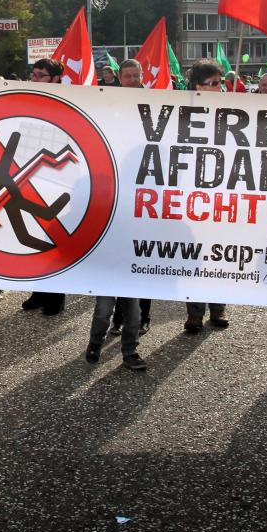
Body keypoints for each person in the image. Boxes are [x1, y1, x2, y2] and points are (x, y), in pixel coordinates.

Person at [182, 60, 231, 333]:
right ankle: (194, 313)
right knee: (195, 256)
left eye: (219, 83)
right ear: (197, 86)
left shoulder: (232, 111)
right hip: (194, 197)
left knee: (220, 254)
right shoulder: (184, 112)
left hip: (223, 197)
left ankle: (218, 308)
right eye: (211, 84)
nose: (217, 88)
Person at [18, 57, 70, 318]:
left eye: (41, 76)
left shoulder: (68, 101)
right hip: (32, 176)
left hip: (58, 179)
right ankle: (38, 292)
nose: (35, 79)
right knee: (35, 239)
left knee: (54, 239)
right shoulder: (30, 98)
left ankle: (56, 296)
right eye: (34, 75)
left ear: (56, 78)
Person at [112, 59, 154, 335]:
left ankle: (143, 316)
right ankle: (118, 317)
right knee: (118, 257)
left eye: (135, 75)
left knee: (144, 257)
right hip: (118, 190)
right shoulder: (108, 101)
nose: (131, 79)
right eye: (127, 76)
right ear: (119, 77)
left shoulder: (153, 103)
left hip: (147, 187)